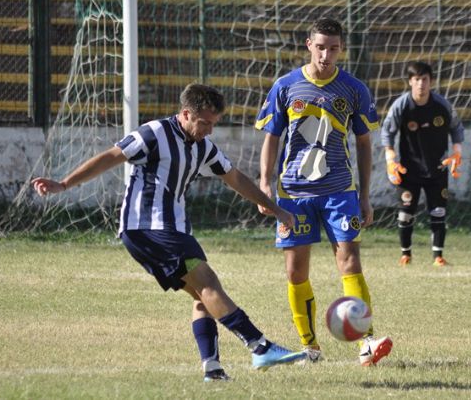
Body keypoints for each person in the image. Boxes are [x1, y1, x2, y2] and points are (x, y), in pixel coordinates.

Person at [31, 83, 306, 382]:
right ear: (186, 114)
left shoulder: (203, 147)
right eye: (204, 123)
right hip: (149, 226)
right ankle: (260, 345)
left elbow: (235, 178)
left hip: (169, 229)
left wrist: (274, 208)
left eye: (214, 124)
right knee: (209, 282)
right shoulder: (153, 133)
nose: (209, 131)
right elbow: (112, 156)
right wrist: (64, 184)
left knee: (204, 295)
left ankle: (212, 369)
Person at [255, 18, 393, 366]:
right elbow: (272, 136)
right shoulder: (286, 86)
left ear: (341, 49)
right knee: (295, 272)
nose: (326, 55)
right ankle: (310, 348)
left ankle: (366, 342)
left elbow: (364, 142)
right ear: (308, 45)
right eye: (320, 47)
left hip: (339, 192)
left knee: (350, 261)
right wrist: (264, 182)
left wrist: (363, 194)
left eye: (333, 48)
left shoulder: (354, 89)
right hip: (293, 194)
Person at [381, 61, 465, 267]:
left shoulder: (441, 105)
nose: (421, 84)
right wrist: (390, 158)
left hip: (437, 168)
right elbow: (387, 131)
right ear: (410, 82)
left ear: (431, 81)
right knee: (405, 213)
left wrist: (457, 152)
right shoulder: (402, 105)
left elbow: (457, 128)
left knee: (438, 213)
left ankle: (438, 256)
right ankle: (405, 254)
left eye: (425, 79)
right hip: (409, 170)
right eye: (417, 80)